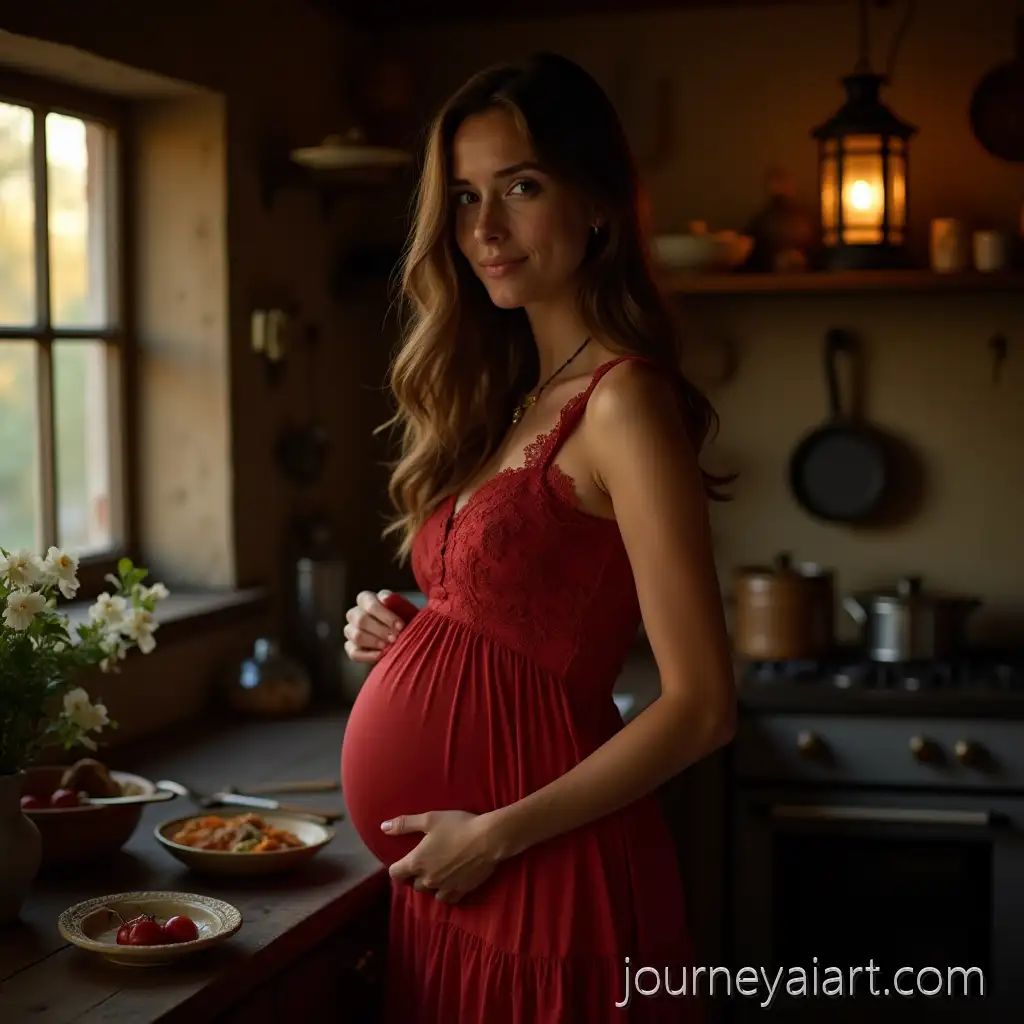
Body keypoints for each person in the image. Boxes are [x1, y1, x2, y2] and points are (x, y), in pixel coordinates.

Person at [340, 51, 736, 1024]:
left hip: (542, 876)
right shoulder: (512, 397)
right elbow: (524, 613)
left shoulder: (624, 401)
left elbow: (701, 708)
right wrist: (420, 629)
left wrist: (496, 836)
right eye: (467, 195)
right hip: (455, 880)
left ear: (598, 202)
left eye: (520, 186)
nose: (483, 230)